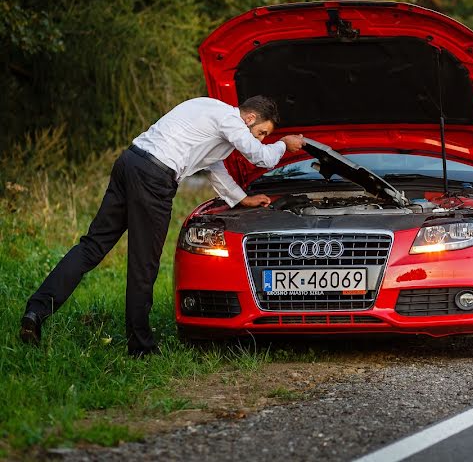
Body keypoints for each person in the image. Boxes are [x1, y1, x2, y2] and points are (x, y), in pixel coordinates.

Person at [20, 95, 305, 357]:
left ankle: (35, 311)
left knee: (92, 245)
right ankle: (141, 347)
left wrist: (244, 199)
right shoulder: (231, 120)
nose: (261, 138)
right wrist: (284, 144)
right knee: (144, 265)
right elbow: (260, 156)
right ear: (250, 118)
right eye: (262, 133)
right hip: (155, 178)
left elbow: (215, 170)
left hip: (130, 162)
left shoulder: (208, 109)